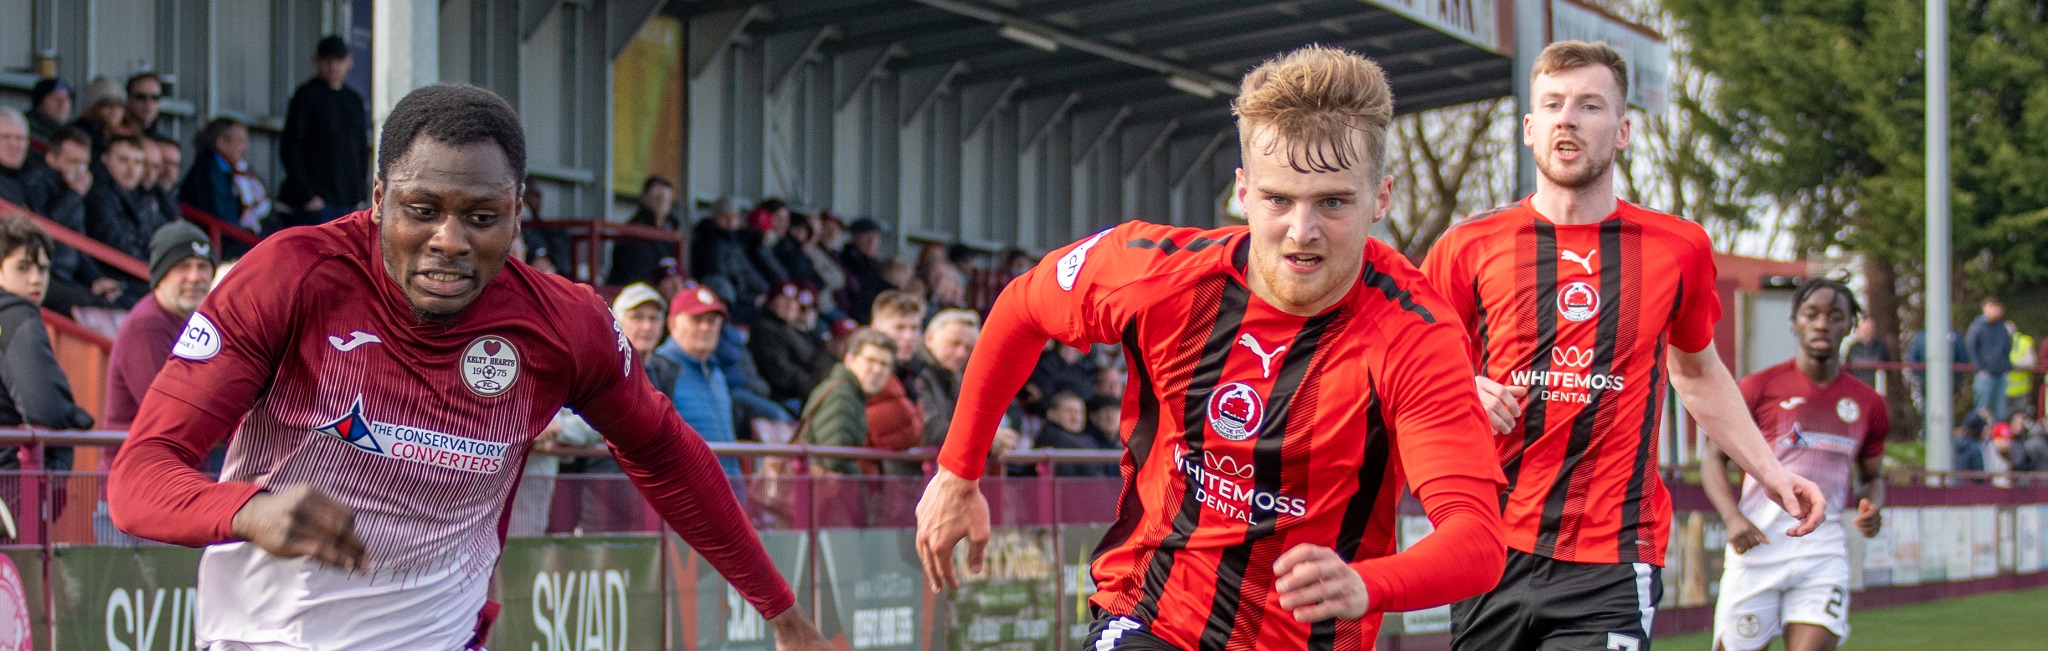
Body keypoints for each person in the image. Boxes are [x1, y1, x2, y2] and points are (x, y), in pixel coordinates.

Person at [104, 84, 826, 649]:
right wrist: (248, 509)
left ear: (517, 215)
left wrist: (784, 613)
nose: (448, 240)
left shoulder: (564, 323)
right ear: (380, 199)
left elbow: (667, 456)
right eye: (421, 209)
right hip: (263, 638)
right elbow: (139, 476)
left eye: (481, 217)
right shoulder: (291, 274)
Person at [918, 45, 1508, 650]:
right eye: (1279, 199)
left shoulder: (1416, 336)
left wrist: (1367, 583)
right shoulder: (1158, 275)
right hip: (1151, 614)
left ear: (1381, 197)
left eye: (1333, 202)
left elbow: (1477, 542)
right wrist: (957, 472)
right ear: (1243, 192)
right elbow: (1020, 308)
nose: (1301, 232)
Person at [1422, 41, 1824, 651]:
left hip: (1613, 551)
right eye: (1553, 104)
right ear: (1530, 129)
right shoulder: (1466, 247)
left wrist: (1768, 471)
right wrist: (1461, 391)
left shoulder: (1678, 249)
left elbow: (1697, 372)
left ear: (1623, 130)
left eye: (1589, 105)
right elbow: (1411, 375)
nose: (1568, 118)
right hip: (1489, 543)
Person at [1703, 280, 1886, 651]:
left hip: (1822, 553)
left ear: (1850, 326)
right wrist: (1732, 518)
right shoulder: (1759, 388)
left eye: (1836, 317)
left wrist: (1874, 506)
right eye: (1812, 314)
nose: (1822, 324)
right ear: (1795, 322)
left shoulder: (1869, 403)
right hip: (1757, 549)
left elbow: (1872, 477)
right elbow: (1712, 458)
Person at [0, 215, 93, 470]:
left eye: (42, 269)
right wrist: (78, 416)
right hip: (13, 486)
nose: (35, 279)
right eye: (22, 267)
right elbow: (49, 410)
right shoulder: (16, 314)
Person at [103, 221, 217, 429]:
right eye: (183, 266)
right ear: (160, 275)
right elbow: (169, 411)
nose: (195, 277)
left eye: (203, 267)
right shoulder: (147, 325)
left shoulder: (200, 321)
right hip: (141, 460)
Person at [652, 284, 745, 477]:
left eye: (712, 321)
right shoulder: (658, 368)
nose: (706, 328)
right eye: (697, 320)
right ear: (673, 324)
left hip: (725, 487)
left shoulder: (716, 371)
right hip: (686, 491)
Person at [280, 35, 371, 227]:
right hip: (318, 203)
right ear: (317, 62)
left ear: (349, 62)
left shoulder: (354, 101)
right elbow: (290, 146)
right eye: (328, 61)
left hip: (349, 202)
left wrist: (360, 195)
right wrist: (308, 196)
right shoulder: (305, 96)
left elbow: (361, 149)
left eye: (339, 61)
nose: (334, 67)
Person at [800, 328, 896, 475]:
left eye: (884, 364)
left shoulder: (849, 392)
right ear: (850, 360)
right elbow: (836, 459)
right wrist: (864, 489)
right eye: (870, 360)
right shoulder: (842, 395)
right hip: (819, 494)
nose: (877, 370)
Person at [84, 135, 164, 299]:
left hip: (136, 276)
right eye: (123, 160)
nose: (131, 169)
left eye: (138, 162)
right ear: (105, 160)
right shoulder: (98, 195)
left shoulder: (145, 198)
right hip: (112, 276)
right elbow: (115, 241)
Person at [865, 290, 927, 475]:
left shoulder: (914, 374)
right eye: (899, 328)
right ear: (876, 328)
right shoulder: (869, 376)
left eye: (914, 328)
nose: (909, 336)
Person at [180, 117, 270, 236]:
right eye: (239, 141)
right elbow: (221, 215)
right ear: (221, 143)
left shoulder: (232, 170)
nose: (245, 148)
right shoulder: (210, 171)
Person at [750, 282, 833, 408]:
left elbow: (815, 357)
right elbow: (781, 370)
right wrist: (816, 388)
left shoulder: (794, 330)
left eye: (794, 300)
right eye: (783, 299)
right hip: (785, 398)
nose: (790, 305)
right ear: (771, 302)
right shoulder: (764, 328)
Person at [1965, 297, 2013, 420]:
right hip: (1985, 374)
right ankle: (1980, 436)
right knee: (1982, 410)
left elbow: (2007, 347)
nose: (1995, 310)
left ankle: (1996, 436)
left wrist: (2005, 364)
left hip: (2000, 374)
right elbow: (1971, 347)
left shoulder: (2002, 328)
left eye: (1997, 307)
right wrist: (1980, 368)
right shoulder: (1977, 327)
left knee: (1999, 411)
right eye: (1991, 306)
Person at [838, 217, 889, 322]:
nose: (872, 242)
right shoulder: (846, 260)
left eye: (876, 238)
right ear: (854, 237)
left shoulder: (873, 264)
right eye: (867, 237)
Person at [1843, 320, 1890, 389]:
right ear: (1859, 331)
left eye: (1869, 330)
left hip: (1875, 388)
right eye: (1864, 330)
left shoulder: (1880, 347)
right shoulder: (1853, 348)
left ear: (1873, 331)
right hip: (1857, 387)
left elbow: (1887, 367)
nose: (1867, 332)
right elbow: (1847, 369)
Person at [26, 79, 71, 143]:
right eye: (55, 98)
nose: (62, 104)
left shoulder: (71, 132)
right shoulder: (25, 128)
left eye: (66, 99)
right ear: (40, 102)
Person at [125, 72, 167, 139]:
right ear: (129, 99)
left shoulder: (162, 144)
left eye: (155, 97)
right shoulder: (113, 137)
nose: (148, 103)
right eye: (141, 97)